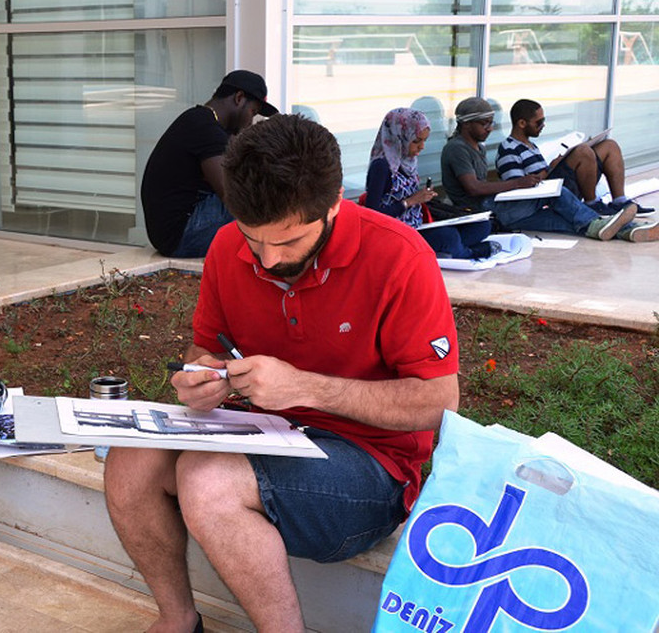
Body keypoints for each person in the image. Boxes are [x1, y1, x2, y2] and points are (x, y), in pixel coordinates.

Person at [105, 114, 459, 632]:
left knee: (208, 482)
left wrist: (305, 388)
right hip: (259, 432)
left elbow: (439, 403)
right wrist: (200, 377)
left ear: (335, 201)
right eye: (254, 239)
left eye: (289, 242)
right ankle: (177, 619)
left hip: (370, 463)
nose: (269, 260)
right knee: (129, 460)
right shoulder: (227, 247)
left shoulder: (400, 257)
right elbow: (205, 347)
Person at [440, 97, 635, 242]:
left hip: (501, 213)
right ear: (466, 123)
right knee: (557, 192)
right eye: (484, 123)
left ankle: (627, 230)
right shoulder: (457, 148)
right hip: (487, 211)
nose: (490, 128)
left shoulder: (477, 147)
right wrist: (519, 182)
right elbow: (473, 188)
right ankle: (609, 223)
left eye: (491, 123)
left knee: (571, 223)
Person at [140, 70, 279, 258]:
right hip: (181, 235)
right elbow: (231, 195)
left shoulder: (199, 120)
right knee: (257, 200)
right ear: (239, 98)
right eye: (252, 112)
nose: (250, 122)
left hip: (170, 235)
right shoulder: (206, 129)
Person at [496, 98, 657, 241]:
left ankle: (621, 207)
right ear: (522, 123)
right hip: (543, 200)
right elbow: (516, 186)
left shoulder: (531, 146)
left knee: (609, 146)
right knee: (582, 154)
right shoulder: (509, 149)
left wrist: (553, 166)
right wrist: (550, 168)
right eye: (539, 122)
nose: (543, 125)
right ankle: (614, 220)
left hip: (554, 193)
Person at [365, 107, 497, 259]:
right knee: (448, 236)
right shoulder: (382, 166)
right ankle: (468, 253)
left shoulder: (407, 160)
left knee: (481, 225)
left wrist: (424, 196)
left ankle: (452, 250)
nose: (422, 147)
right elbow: (372, 215)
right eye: (416, 141)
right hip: (398, 233)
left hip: (419, 225)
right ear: (399, 137)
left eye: (424, 141)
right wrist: (410, 202)